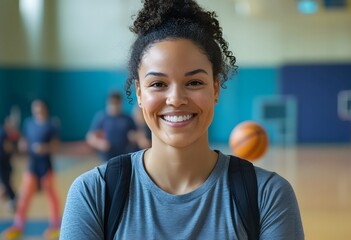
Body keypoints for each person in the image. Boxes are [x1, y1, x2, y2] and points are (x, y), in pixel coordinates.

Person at [60, 0, 304, 239]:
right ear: (139, 93)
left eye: (194, 82)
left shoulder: (268, 196)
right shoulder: (94, 194)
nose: (176, 99)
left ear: (216, 88)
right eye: (158, 84)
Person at [1, 100, 61, 240]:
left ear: (45, 108)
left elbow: (55, 145)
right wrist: (23, 144)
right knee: (24, 197)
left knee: (52, 197)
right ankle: (18, 226)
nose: (37, 110)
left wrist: (44, 148)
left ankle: (55, 226)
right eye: (35, 108)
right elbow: (25, 140)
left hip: (46, 166)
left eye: (39, 107)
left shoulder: (51, 125)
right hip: (32, 166)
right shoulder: (29, 123)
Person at [86, 92, 136, 162]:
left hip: (124, 156)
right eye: (112, 103)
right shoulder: (101, 117)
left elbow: (135, 133)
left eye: (117, 103)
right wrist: (100, 143)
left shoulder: (127, 118)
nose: (114, 106)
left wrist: (133, 138)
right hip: (106, 157)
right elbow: (90, 137)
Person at [0, 117, 18, 212]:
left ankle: (13, 198)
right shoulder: (4, 134)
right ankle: (12, 197)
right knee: (6, 182)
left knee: (6, 182)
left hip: (5, 163)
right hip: (3, 163)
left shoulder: (5, 133)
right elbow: (8, 147)